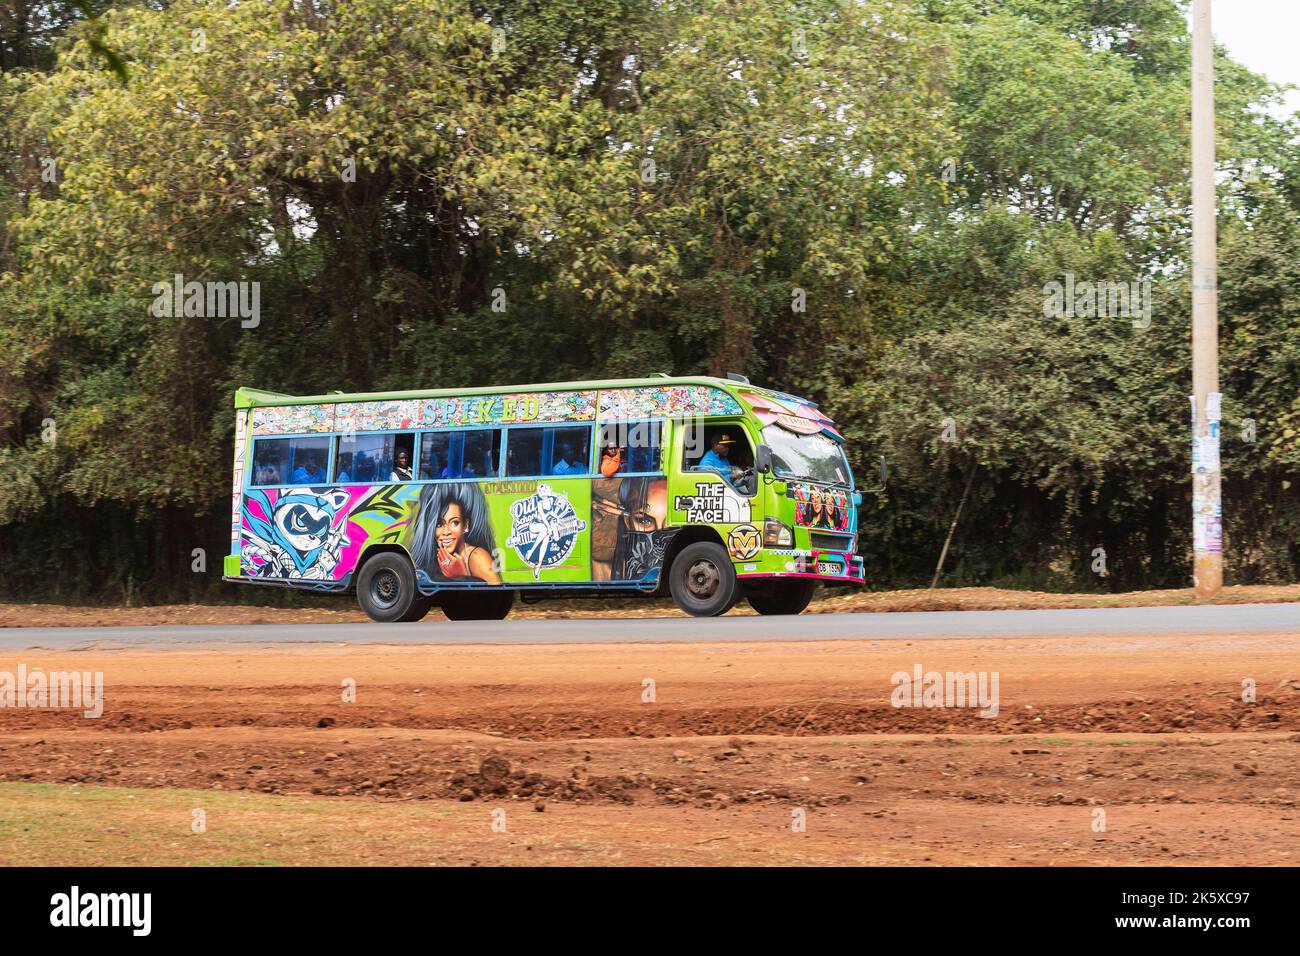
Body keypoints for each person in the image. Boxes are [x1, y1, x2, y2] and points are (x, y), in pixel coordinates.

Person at [409, 483, 502, 584]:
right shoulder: (434, 556)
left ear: (465, 525)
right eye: (439, 524)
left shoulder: (476, 556)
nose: (447, 532)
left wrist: (462, 575)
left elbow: (497, 591)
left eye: (454, 523)